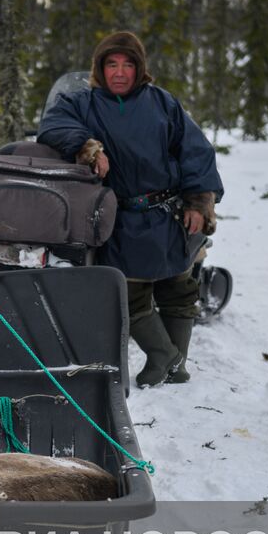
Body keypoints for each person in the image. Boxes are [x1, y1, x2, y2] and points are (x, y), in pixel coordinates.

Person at [37, 31, 223, 386]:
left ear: (140, 69)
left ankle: (175, 367)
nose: (119, 73)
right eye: (111, 64)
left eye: (127, 64)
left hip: (171, 212)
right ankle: (163, 357)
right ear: (100, 68)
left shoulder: (163, 103)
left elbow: (196, 150)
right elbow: (52, 127)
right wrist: (89, 147)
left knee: (178, 288)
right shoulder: (82, 103)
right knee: (130, 294)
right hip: (122, 218)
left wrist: (200, 201)